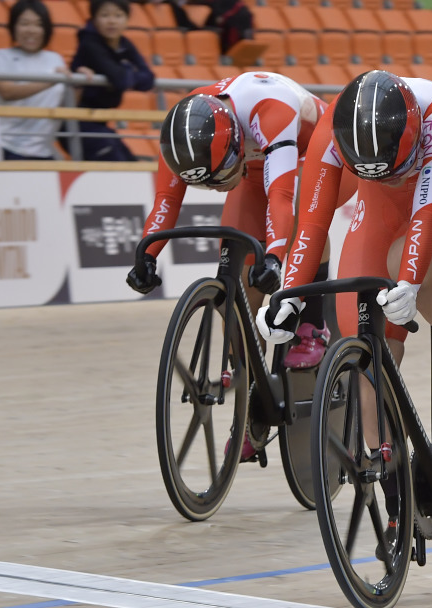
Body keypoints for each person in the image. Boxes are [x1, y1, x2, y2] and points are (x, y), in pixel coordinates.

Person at [127, 72, 350, 457]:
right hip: (255, 158)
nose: (216, 189)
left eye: (218, 179)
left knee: (301, 219)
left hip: (314, 149)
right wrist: (146, 255)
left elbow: (280, 197)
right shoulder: (184, 130)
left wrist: (276, 258)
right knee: (237, 261)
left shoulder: (271, 112)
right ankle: (252, 396)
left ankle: (313, 325)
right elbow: (166, 199)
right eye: (208, 184)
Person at [256, 69, 432, 377]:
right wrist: (290, 298)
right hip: (380, 202)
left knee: (415, 267)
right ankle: (376, 425)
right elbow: (312, 225)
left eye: (397, 171)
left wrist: (410, 285)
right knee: (360, 337)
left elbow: (426, 218)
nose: (394, 180)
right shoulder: (333, 127)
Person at [69, 0, 155, 161]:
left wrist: (124, 72)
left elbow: (148, 79)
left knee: (134, 164)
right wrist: (128, 70)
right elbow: (119, 79)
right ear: (94, 18)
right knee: (117, 161)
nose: (112, 21)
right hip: (77, 121)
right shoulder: (89, 42)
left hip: (100, 121)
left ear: (127, 19)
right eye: (105, 15)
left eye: (118, 15)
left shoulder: (124, 44)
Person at [0, 0, 68, 161]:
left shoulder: (55, 59)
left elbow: (66, 103)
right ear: (13, 27)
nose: (31, 30)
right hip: (7, 147)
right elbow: (6, 91)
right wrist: (51, 80)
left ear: (46, 29)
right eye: (24, 24)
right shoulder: (0, 56)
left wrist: (79, 79)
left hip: (45, 151)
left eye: (38, 25)